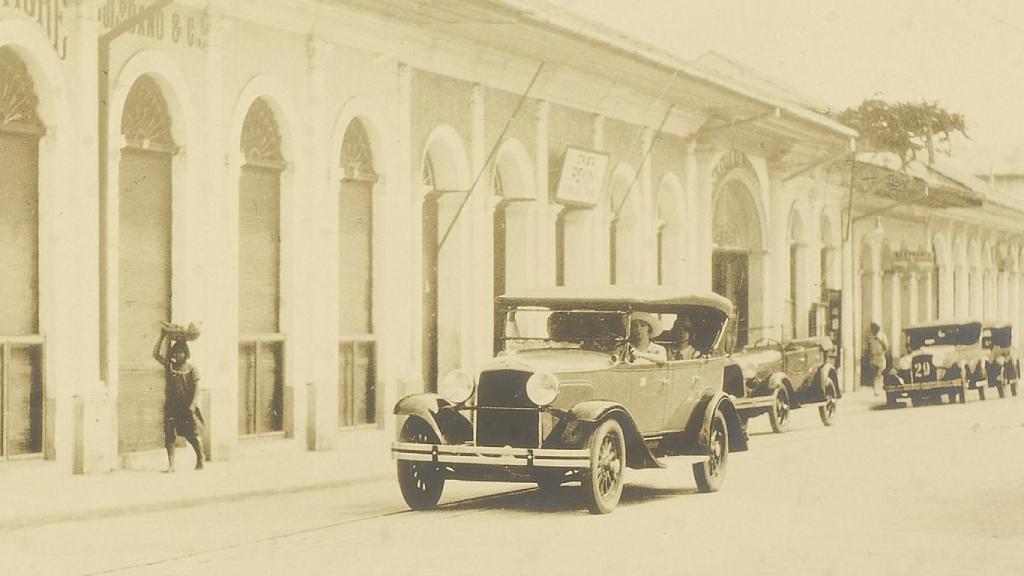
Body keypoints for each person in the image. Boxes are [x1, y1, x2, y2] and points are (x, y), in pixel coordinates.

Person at [153, 322, 204, 472]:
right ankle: (171, 465)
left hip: (186, 405)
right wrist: (162, 335)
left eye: (180, 352)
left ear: (186, 353)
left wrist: (193, 404)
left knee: (191, 435)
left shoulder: (192, 369)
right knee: (169, 434)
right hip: (171, 406)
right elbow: (155, 354)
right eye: (175, 352)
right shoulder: (170, 366)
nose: (177, 355)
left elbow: (197, 387)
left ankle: (200, 458)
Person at [867, 322, 888, 397]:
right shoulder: (870, 336)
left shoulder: (882, 336)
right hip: (873, 357)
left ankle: (879, 389)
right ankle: (876, 390)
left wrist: (879, 340)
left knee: (880, 373)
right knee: (875, 375)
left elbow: (886, 346)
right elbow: (869, 347)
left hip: (881, 356)